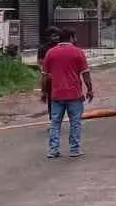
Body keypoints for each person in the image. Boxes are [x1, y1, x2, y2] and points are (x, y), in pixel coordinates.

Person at [40, 28, 94, 158]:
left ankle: (53, 150)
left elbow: (45, 76)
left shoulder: (50, 53)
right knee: (75, 122)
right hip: (74, 94)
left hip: (56, 93)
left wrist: (43, 92)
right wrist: (90, 89)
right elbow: (85, 74)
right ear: (71, 37)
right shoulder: (78, 52)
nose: (76, 40)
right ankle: (74, 149)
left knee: (55, 122)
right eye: (75, 37)